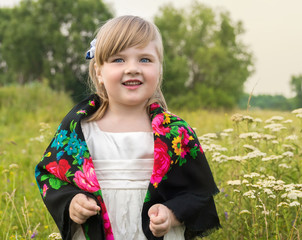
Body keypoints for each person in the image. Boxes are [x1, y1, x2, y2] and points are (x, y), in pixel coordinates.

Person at [35, 15, 220, 240]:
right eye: (118, 60)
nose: (132, 68)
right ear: (99, 72)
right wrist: (72, 202)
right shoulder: (79, 129)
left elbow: (197, 193)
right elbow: (51, 176)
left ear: (159, 69)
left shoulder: (174, 132)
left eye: (145, 59)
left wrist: (170, 215)